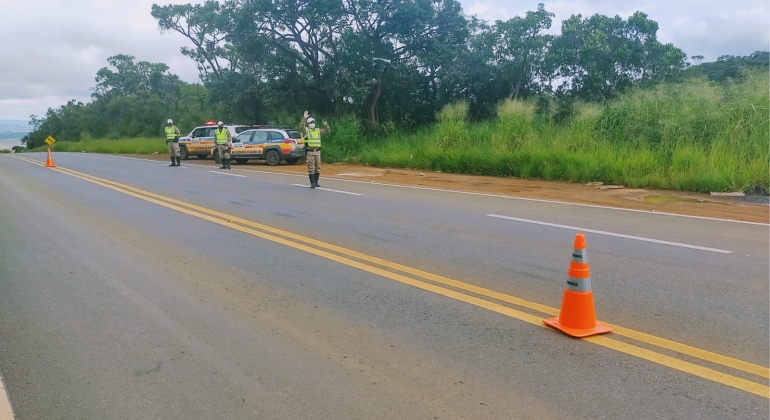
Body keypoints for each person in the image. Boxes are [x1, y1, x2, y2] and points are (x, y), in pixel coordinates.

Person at [300, 111, 329, 188]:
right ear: (308, 123)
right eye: (311, 122)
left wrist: (326, 125)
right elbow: (301, 127)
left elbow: (327, 131)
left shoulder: (318, 130)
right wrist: (304, 119)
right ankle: (312, 183)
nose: (313, 123)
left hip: (318, 152)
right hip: (310, 152)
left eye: (313, 122)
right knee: (311, 168)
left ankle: (316, 182)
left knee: (318, 168)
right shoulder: (306, 130)